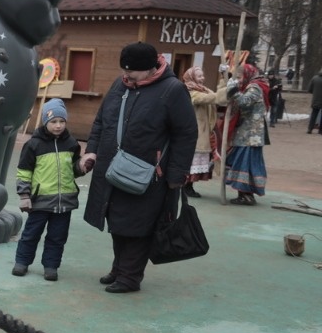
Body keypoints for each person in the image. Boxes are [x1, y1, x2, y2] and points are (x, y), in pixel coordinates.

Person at [79, 42, 196, 294]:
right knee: (117, 220)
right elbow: (101, 121)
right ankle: (119, 268)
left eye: (133, 71)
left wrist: (176, 175)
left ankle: (130, 277)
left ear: (151, 67)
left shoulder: (173, 90)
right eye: (125, 69)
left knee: (137, 225)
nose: (127, 75)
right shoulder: (120, 84)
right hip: (113, 168)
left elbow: (185, 134)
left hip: (149, 174)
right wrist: (91, 150)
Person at [12, 99, 85, 281]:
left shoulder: (72, 144)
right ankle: (22, 262)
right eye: (53, 122)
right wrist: (24, 195)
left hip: (64, 202)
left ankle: (51, 266)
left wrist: (82, 167)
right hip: (40, 200)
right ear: (45, 122)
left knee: (57, 237)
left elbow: (73, 170)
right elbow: (24, 171)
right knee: (31, 234)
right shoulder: (34, 145)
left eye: (62, 121)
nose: (58, 126)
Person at [223, 63, 270, 205]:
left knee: (245, 163)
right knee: (244, 162)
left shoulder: (254, 87)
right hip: (248, 134)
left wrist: (233, 90)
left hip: (249, 134)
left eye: (240, 76)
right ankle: (245, 194)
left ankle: (246, 195)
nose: (239, 80)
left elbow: (245, 102)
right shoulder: (255, 85)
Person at [181, 66, 226, 197]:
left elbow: (219, 96)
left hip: (203, 132)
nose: (202, 78)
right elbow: (213, 98)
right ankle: (185, 187)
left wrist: (224, 78)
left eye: (202, 75)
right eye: (199, 76)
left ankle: (188, 186)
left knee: (196, 160)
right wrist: (228, 89)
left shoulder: (204, 90)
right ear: (192, 78)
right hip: (194, 133)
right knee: (191, 161)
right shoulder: (189, 92)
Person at [308, 69, 322, 134]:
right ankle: (320, 130)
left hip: (315, 99)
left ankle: (310, 129)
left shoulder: (314, 78)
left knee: (314, 114)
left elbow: (310, 89)